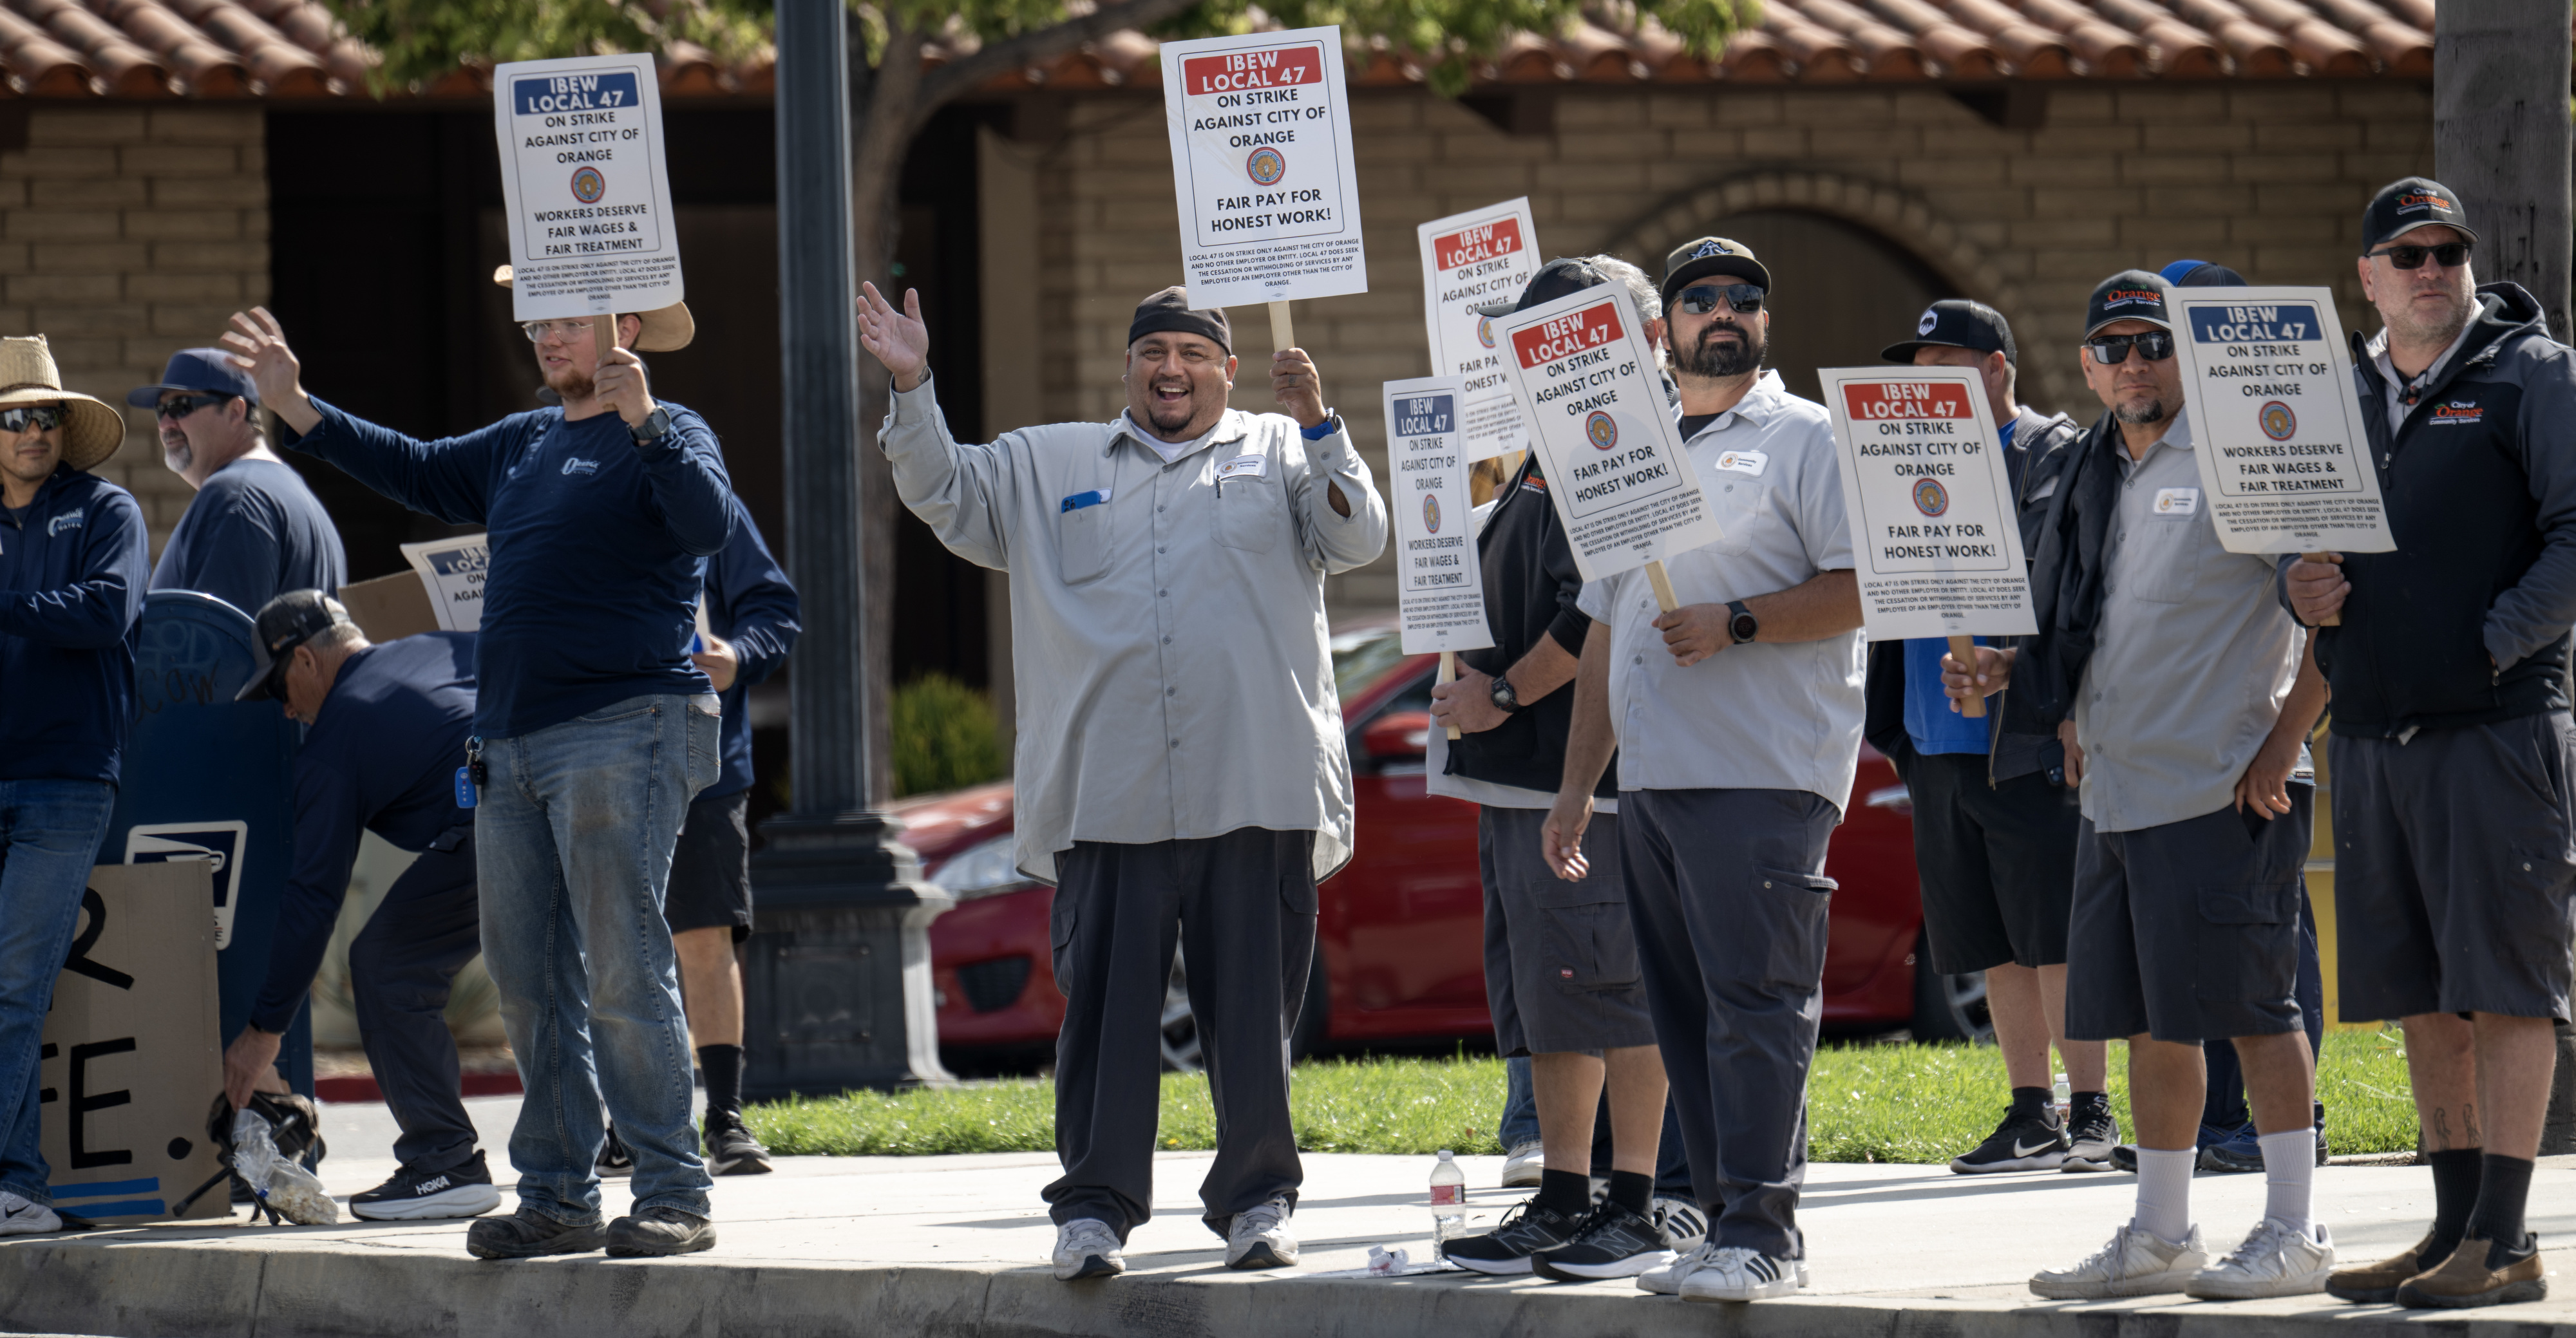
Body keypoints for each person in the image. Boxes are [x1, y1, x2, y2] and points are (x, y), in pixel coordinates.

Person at [862, 281, 1387, 1281]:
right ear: (1131, 367)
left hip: (1254, 784)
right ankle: (1095, 1210)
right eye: (1156, 353)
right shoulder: (1048, 460)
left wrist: (1319, 421)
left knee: (1250, 1019)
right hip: (1109, 791)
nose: (1173, 370)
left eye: (1194, 354)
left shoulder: (1282, 451)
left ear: (1227, 371)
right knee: (1104, 1016)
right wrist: (912, 381)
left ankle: (1257, 1202)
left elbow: (1358, 536)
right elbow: (944, 493)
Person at [222, 292, 732, 1262]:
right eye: (536, 321)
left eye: (566, 321)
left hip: (628, 725)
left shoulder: (673, 431)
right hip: (510, 744)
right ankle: (556, 1196)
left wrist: (649, 422)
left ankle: (672, 1188)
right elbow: (411, 466)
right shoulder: (523, 441)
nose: (544, 336)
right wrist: (298, 406)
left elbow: (705, 526)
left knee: (624, 965)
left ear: (624, 327)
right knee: (531, 982)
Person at [1947, 272, 2333, 1301]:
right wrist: (2015, 681)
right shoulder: (2088, 472)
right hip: (2115, 792)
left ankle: (2297, 1229)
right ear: (2085, 366)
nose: (2132, 364)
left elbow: (2339, 618)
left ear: (2189, 355)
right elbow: (2092, 628)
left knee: (2257, 1010)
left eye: (2153, 344)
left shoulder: (2251, 450)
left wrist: (2277, 747)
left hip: (2223, 787)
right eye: (2112, 347)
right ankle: (2162, 1233)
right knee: (2153, 1024)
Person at [1542, 237, 1865, 1303]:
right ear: (1664, 329)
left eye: (1744, 298)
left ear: (1763, 320)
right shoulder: (1625, 448)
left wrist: (1739, 621)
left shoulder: (1807, 437)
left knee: (1759, 1004)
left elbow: (1864, 588)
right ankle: (1725, 1221)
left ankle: (1765, 1233)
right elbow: (1603, 634)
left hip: (1766, 771)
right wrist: (1581, 784)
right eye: (1700, 299)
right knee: (1687, 1020)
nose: (1722, 312)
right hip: (1658, 786)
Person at [2286, 176, 2576, 1310]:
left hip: (2494, 730)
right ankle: (2453, 1223)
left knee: (2506, 988)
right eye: (2406, 254)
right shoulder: (2338, 392)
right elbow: (2293, 535)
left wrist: (2495, 642)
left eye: (2447, 251)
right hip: (2369, 731)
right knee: (2420, 990)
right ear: (2367, 275)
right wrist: (2292, 582)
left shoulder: (2533, 374)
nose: (2430, 269)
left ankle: (2506, 1239)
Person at [1428, 256, 1701, 1281]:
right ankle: (1563, 1196)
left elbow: (1593, 620)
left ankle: (1629, 1198)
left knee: (1610, 987)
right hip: (1522, 781)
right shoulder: (1548, 448)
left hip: (1586, 780)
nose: (1533, 356)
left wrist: (1501, 695)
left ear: (1626, 335)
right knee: (1551, 998)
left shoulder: (1626, 437)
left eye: (1556, 336)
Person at [1862, 299, 2109, 1174]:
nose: (1928, 386)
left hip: (2025, 734)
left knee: (2053, 934)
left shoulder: (2059, 458)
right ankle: (2030, 1110)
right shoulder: (1899, 461)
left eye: (1948, 366)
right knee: (1986, 938)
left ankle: (2093, 1110)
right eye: (1918, 369)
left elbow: (2085, 589)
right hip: (1933, 739)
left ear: (1997, 368)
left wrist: (2027, 670)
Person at [218, 590, 498, 1221]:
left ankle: (445, 1161)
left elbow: (313, 898)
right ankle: (623, 1144)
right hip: (569, 791)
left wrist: (262, 1033)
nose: (286, 709)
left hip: (497, 819)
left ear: (307, 662)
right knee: (564, 970)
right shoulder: (437, 645)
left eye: (278, 689)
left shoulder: (337, 740)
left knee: (386, 962)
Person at [2155, 259, 2331, 1180]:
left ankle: (2282, 1144)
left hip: (2254, 763)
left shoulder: (2271, 443)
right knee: (2205, 969)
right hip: (2172, 771)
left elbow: (2329, 614)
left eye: (2176, 332)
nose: (2157, 354)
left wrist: (2284, 742)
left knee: (2268, 969)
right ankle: (2224, 1130)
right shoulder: (2152, 457)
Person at [0, 335, 145, 1236]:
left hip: (64, 778)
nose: (30, 430)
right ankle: (16, 1185)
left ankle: (16, 1179)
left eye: (45, 415)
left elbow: (106, 611)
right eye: (13, 416)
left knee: (15, 985)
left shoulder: (106, 508)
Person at [668, 493, 798, 1174]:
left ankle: (724, 1117)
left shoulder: (705, 502)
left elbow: (774, 612)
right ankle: (630, 1123)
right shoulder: (544, 490)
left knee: (705, 936)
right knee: (604, 946)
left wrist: (737, 654)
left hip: (700, 764)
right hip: (585, 759)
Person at [132, 348, 345, 614]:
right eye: (160, 411)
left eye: (179, 407)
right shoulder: (294, 494)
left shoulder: (234, 495)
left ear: (235, 411)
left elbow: (219, 647)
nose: (165, 424)